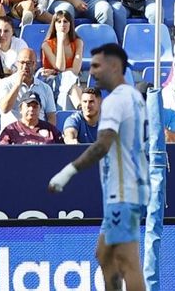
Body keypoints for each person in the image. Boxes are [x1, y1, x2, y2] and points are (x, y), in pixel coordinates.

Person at [47, 44, 149, 291]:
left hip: (124, 191)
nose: (92, 73)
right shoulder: (132, 96)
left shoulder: (116, 101)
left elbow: (102, 144)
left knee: (127, 260)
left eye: (97, 67)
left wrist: (68, 171)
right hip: (126, 187)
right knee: (104, 254)